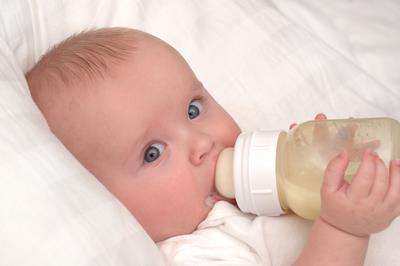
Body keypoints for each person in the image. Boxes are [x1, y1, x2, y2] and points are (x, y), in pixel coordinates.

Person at [26, 27, 400, 265]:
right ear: (104, 199)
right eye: (152, 153)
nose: (202, 143)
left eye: (193, 110)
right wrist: (344, 231)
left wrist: (327, 160)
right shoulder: (199, 252)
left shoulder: (261, 186)